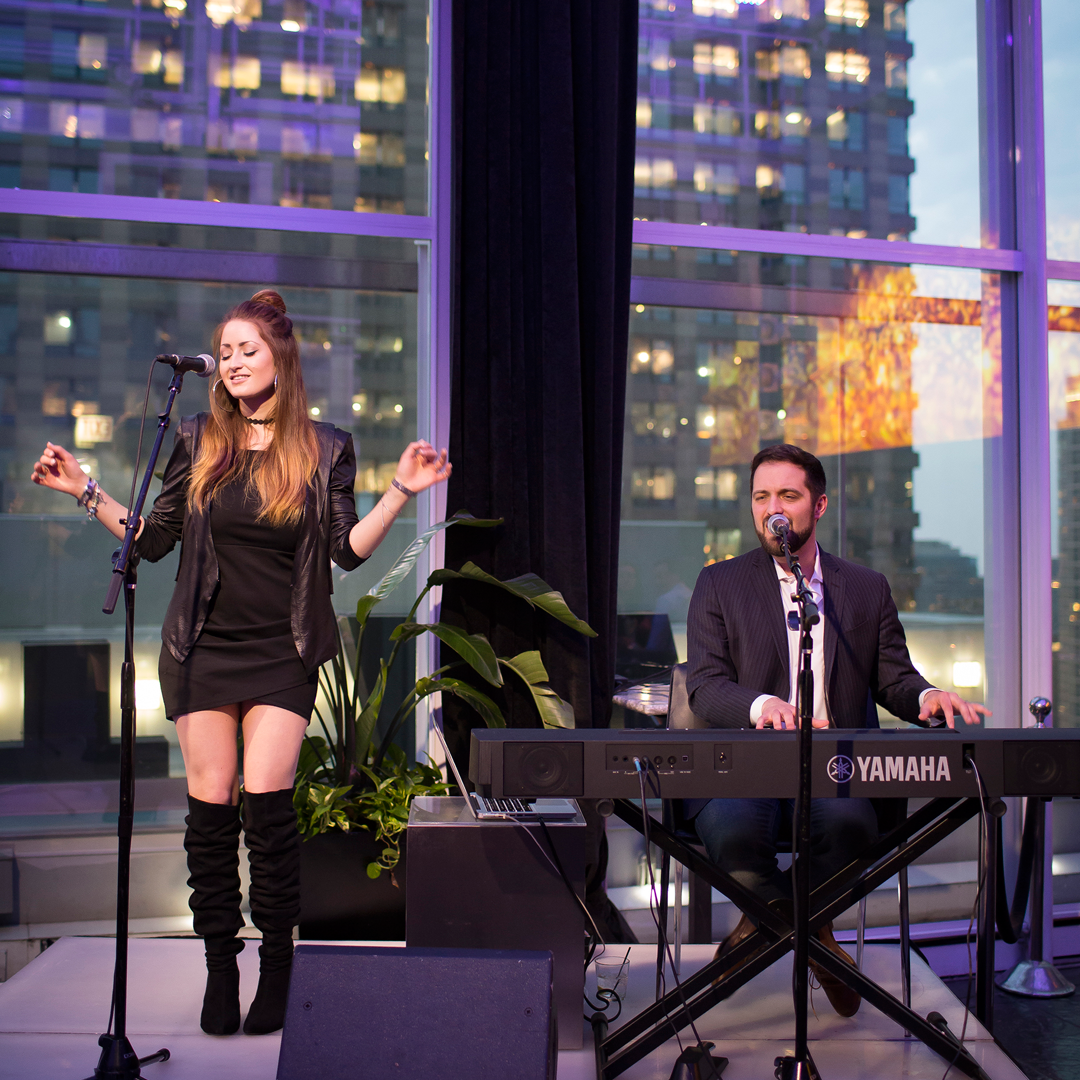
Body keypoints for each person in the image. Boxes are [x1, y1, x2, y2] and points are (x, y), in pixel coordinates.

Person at [31, 290, 451, 1037]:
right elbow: (152, 540)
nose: (230, 362)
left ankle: (280, 966)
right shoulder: (195, 438)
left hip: (282, 650)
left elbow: (344, 553)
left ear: (280, 358)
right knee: (210, 816)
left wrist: (399, 494)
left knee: (268, 806)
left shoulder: (327, 447)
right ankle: (220, 967)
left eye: (245, 349)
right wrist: (84, 489)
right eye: (222, 352)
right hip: (202, 648)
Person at [684, 443, 988, 1017]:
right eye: (761, 496)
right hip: (746, 761)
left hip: (836, 765)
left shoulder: (866, 587)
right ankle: (817, 941)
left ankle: (762, 928)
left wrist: (928, 695)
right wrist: (764, 705)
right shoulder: (718, 584)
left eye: (788, 496)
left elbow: (894, 679)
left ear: (818, 505)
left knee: (852, 827)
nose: (773, 508)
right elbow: (704, 685)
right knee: (732, 834)